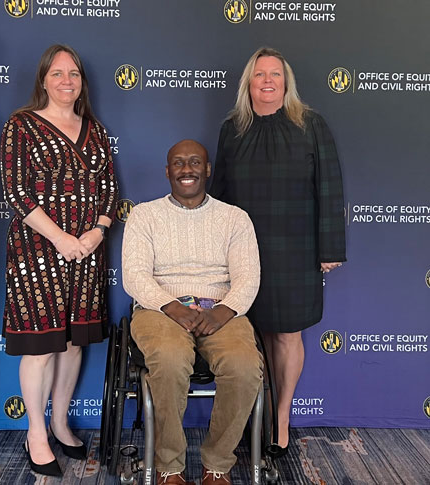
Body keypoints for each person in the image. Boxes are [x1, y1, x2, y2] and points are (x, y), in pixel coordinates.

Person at [209, 47, 346, 456]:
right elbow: (219, 198)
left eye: (275, 75)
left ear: (286, 83)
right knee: (259, 334)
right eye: (259, 75)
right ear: (248, 83)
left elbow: (329, 187)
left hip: (297, 247)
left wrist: (330, 247)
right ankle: (265, 412)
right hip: (245, 251)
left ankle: (281, 418)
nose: (267, 81)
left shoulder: (311, 125)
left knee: (287, 334)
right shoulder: (232, 129)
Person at [0, 44, 118, 476]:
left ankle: (60, 421)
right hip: (38, 252)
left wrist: (95, 232)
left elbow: (109, 190)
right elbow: (15, 191)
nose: (66, 81)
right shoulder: (22, 125)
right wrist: (61, 238)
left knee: (72, 343)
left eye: (74, 73)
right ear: (43, 80)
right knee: (43, 346)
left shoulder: (96, 130)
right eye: (57, 73)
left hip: (87, 252)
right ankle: (35, 432)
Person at [122, 139, 263, 485]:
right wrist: (171, 306)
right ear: (167, 171)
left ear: (208, 169)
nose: (187, 170)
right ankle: (170, 466)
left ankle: (217, 464)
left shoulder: (234, 218)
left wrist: (224, 310)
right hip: (160, 308)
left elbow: (248, 276)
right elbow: (134, 275)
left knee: (245, 367)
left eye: (195, 163)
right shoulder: (144, 215)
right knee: (169, 360)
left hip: (221, 310)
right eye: (179, 163)